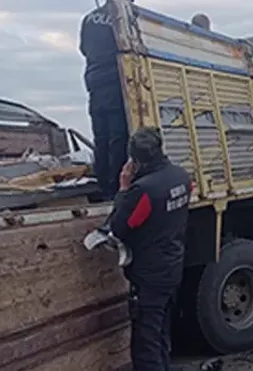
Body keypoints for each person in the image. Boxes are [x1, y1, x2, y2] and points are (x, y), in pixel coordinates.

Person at [110, 127, 191, 371]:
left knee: (146, 345)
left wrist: (124, 189)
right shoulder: (182, 177)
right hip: (172, 266)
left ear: (134, 161)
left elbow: (121, 226)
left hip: (149, 275)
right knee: (161, 334)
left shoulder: (144, 190)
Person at [79, 0, 134, 200]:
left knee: (101, 137)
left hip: (94, 80)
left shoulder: (89, 18)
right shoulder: (124, 15)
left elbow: (84, 49)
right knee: (119, 137)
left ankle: (103, 185)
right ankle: (115, 189)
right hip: (115, 79)